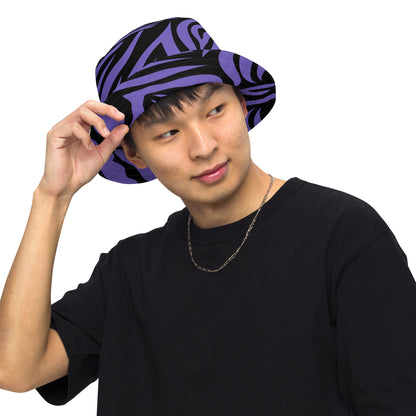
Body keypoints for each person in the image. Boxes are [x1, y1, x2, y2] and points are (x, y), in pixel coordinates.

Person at [0, 16, 415, 416]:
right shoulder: (130, 270)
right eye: (168, 132)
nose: (203, 147)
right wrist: (52, 196)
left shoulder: (343, 234)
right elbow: (15, 369)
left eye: (215, 110)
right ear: (134, 153)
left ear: (242, 103)